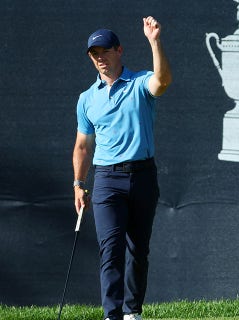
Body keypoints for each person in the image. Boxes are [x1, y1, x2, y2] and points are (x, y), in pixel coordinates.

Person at [72, 16, 172, 320]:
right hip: (106, 180)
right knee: (110, 249)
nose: (100, 58)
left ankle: (132, 313)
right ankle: (112, 315)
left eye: (104, 51)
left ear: (119, 50)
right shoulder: (87, 99)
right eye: (94, 54)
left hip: (143, 175)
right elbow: (83, 146)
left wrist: (155, 41)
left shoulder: (140, 82)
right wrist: (78, 183)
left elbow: (162, 80)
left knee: (138, 250)